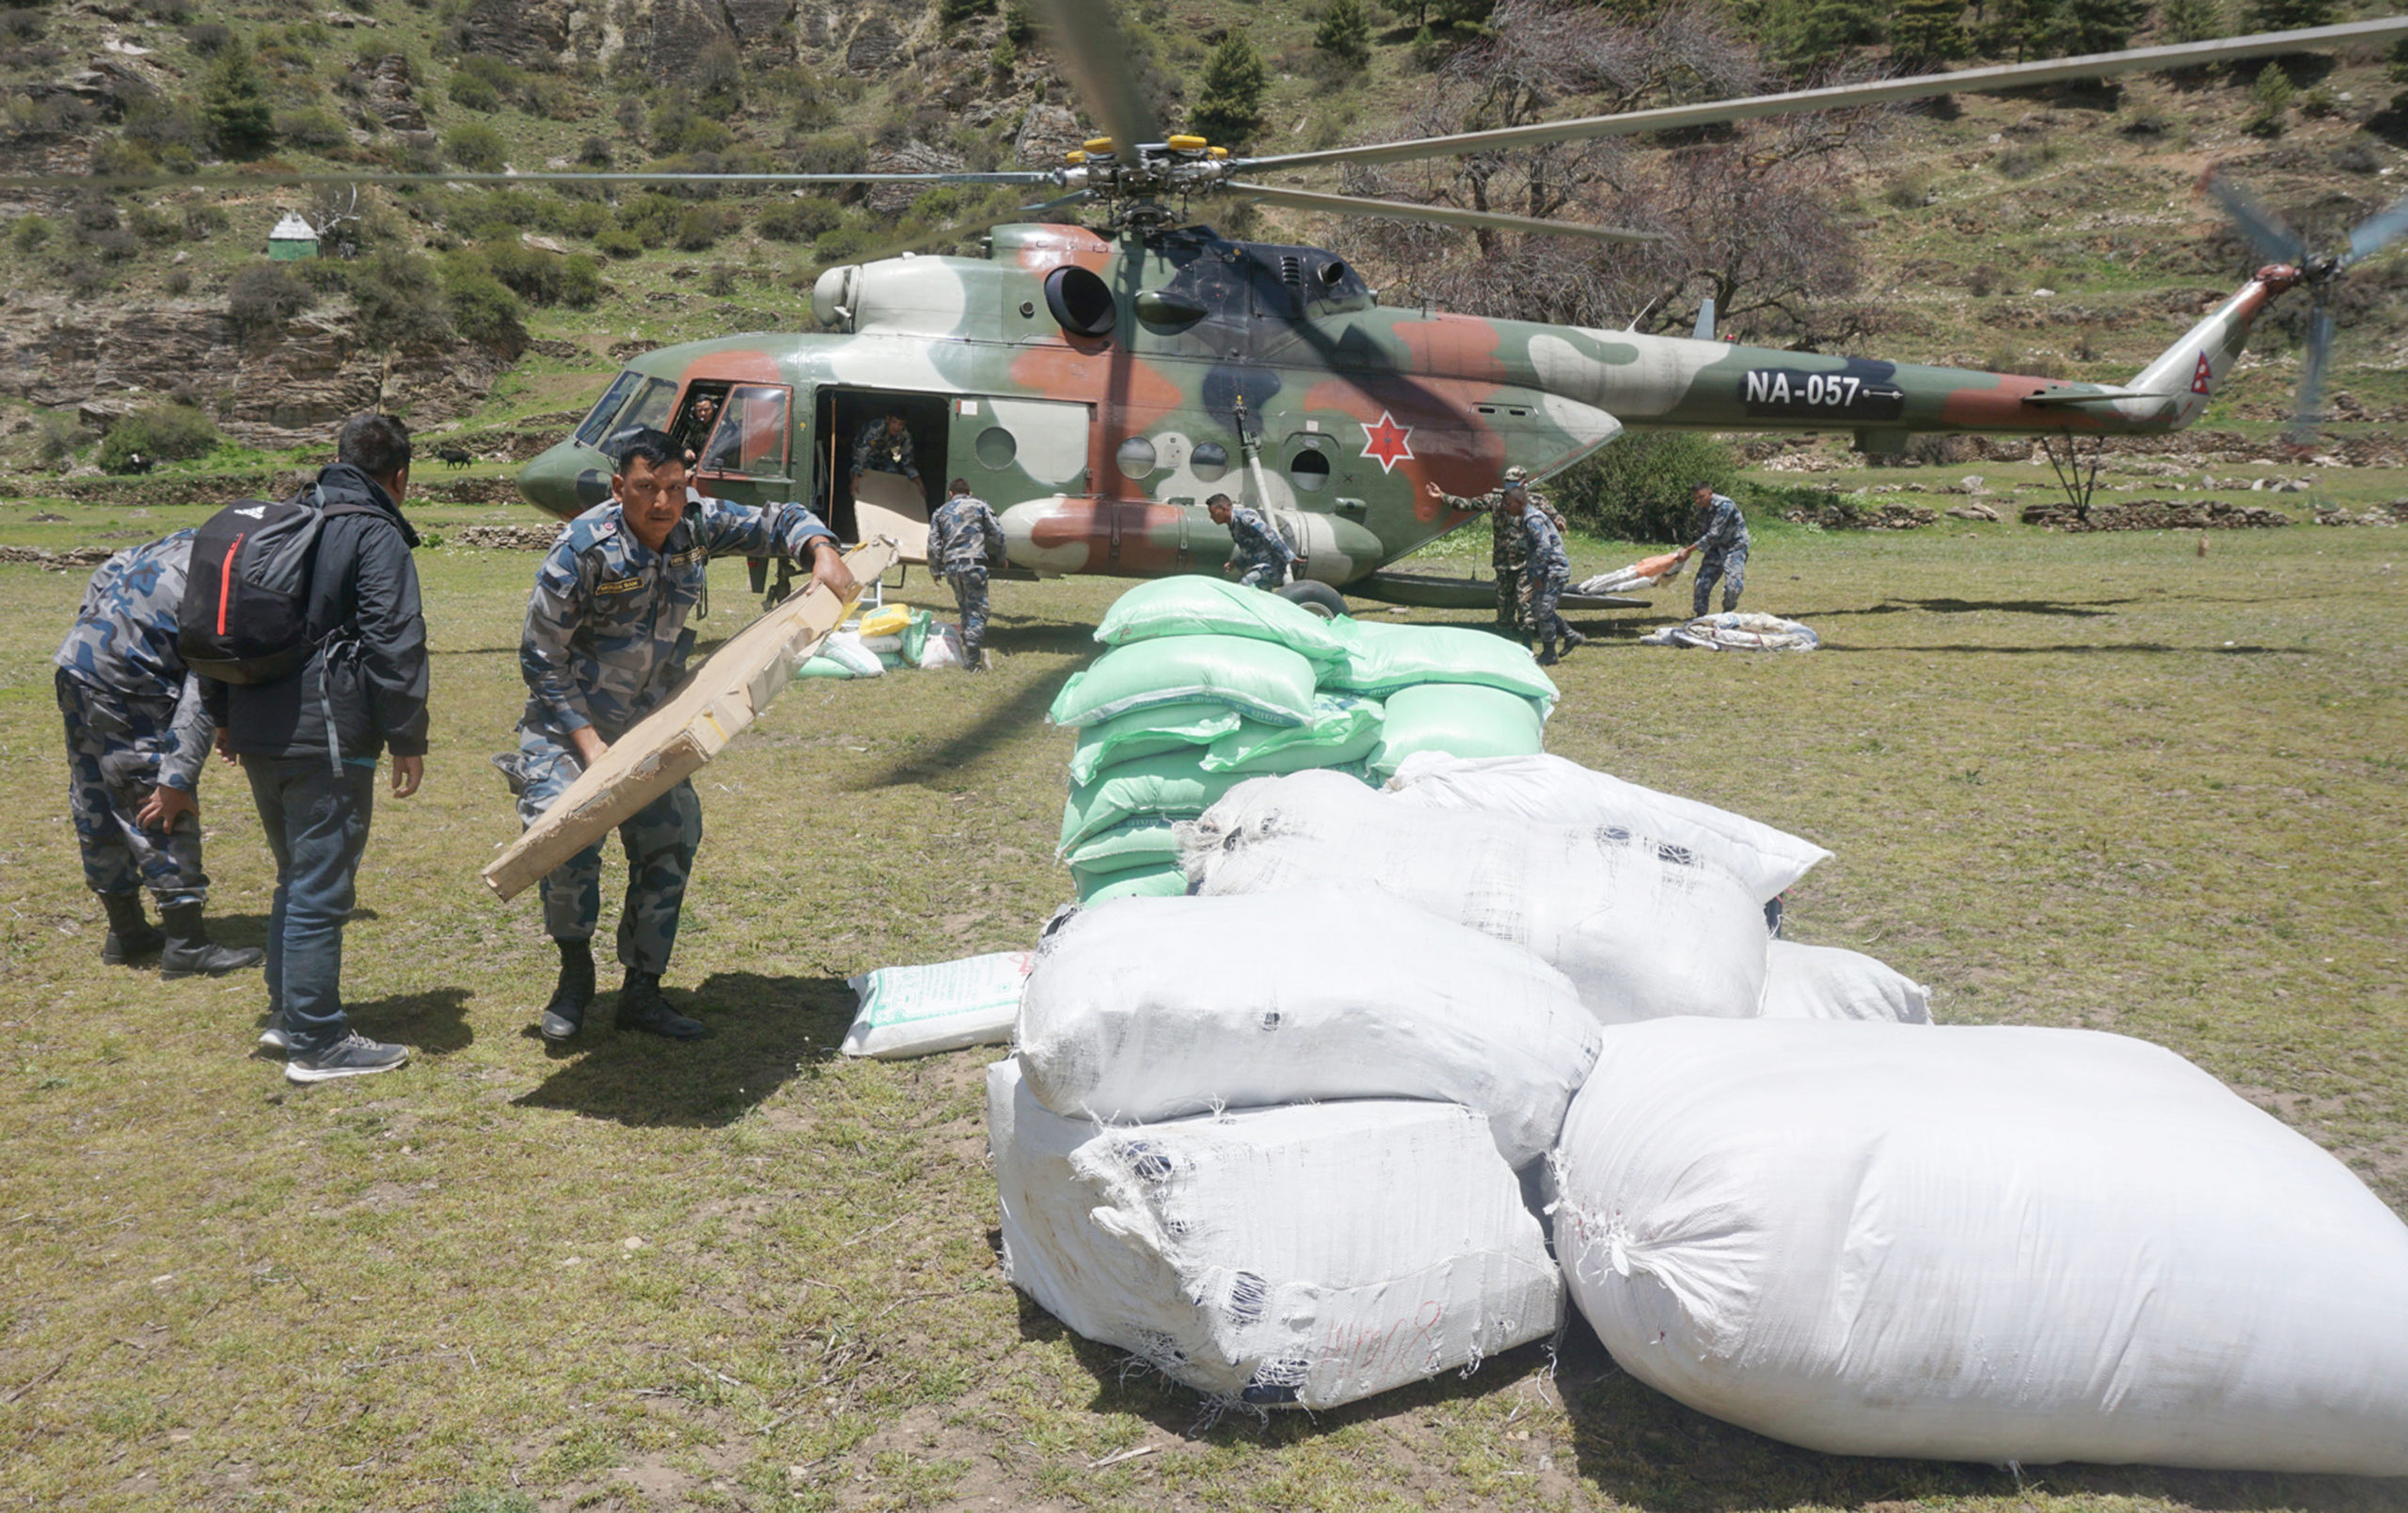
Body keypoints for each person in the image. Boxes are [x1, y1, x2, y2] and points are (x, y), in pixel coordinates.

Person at [512, 429, 855, 1043]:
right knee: (562, 840)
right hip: (572, 726)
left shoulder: (695, 525)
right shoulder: (582, 549)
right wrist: (592, 748)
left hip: (649, 724)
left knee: (672, 835)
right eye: (647, 488)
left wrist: (820, 549)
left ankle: (642, 991)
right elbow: (541, 657)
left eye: (674, 487)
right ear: (620, 487)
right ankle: (574, 977)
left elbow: (780, 520)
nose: (663, 503)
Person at [205, 413, 429, 1084]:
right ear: (399, 476)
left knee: (296, 877)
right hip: (326, 735)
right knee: (320, 888)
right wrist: (406, 736)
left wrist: (222, 714)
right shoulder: (373, 531)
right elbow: (394, 638)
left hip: (257, 726)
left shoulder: (284, 520)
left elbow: (219, 618)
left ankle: (288, 1013)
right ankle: (316, 1040)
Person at [55, 530, 262, 979]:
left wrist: (100, 634)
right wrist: (177, 779)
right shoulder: (238, 577)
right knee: (158, 803)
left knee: (94, 798)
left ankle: (126, 931)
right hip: (133, 686)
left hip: (79, 666)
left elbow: (107, 571)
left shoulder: (188, 539)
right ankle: (187, 944)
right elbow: (203, 687)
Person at [1423, 466, 1568, 641]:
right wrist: (1442, 496)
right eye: (1507, 482)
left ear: (1524, 482)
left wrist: (1559, 522)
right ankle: (1505, 639)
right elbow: (1468, 504)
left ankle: (1527, 641)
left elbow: (1556, 515)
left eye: (1514, 482)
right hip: (1503, 563)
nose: (1509, 485)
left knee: (1524, 604)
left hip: (1526, 563)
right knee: (1504, 606)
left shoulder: (1537, 501)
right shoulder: (1496, 500)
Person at [927, 477, 1006, 670]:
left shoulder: (940, 511)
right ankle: (972, 658)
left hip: (952, 567)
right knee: (977, 609)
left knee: (964, 607)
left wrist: (934, 569)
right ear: (969, 493)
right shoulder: (980, 506)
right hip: (974, 564)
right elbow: (997, 533)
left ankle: (967, 648)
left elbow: (933, 544)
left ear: (950, 494)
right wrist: (1001, 556)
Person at [1509, 482, 1581, 665]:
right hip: (1547, 569)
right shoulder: (1527, 517)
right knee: (1538, 608)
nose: (1507, 508)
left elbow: (1543, 546)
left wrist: (1537, 574)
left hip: (1553, 570)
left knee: (1543, 611)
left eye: (1509, 504)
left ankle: (1550, 653)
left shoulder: (1533, 519)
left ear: (1520, 502)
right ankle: (1570, 635)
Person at [1206, 492, 1298, 589]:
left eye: (1213, 513)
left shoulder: (1244, 518)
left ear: (1224, 509)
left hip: (1271, 566)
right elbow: (1250, 549)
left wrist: (1289, 556)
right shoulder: (1234, 526)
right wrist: (1236, 562)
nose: (1211, 517)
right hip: (1262, 568)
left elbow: (1269, 534)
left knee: (1245, 586)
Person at [1686, 481, 1750, 617]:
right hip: (1715, 547)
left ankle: (1727, 614)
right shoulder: (1702, 508)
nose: (1698, 501)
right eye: (1695, 498)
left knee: (1733, 586)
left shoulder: (1725, 505)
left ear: (1710, 493)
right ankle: (1700, 616)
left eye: (1701, 497)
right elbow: (1705, 532)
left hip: (1735, 546)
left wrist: (1689, 550)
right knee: (1701, 583)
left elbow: (1714, 533)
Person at [849, 410, 919, 492]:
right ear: (888, 419)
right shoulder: (876, 428)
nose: (897, 427)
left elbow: (907, 458)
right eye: (894, 422)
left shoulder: (904, 435)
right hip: (867, 455)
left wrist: (916, 479)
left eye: (901, 424)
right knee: (864, 477)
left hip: (885, 456)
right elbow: (862, 453)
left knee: (893, 474)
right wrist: (855, 476)